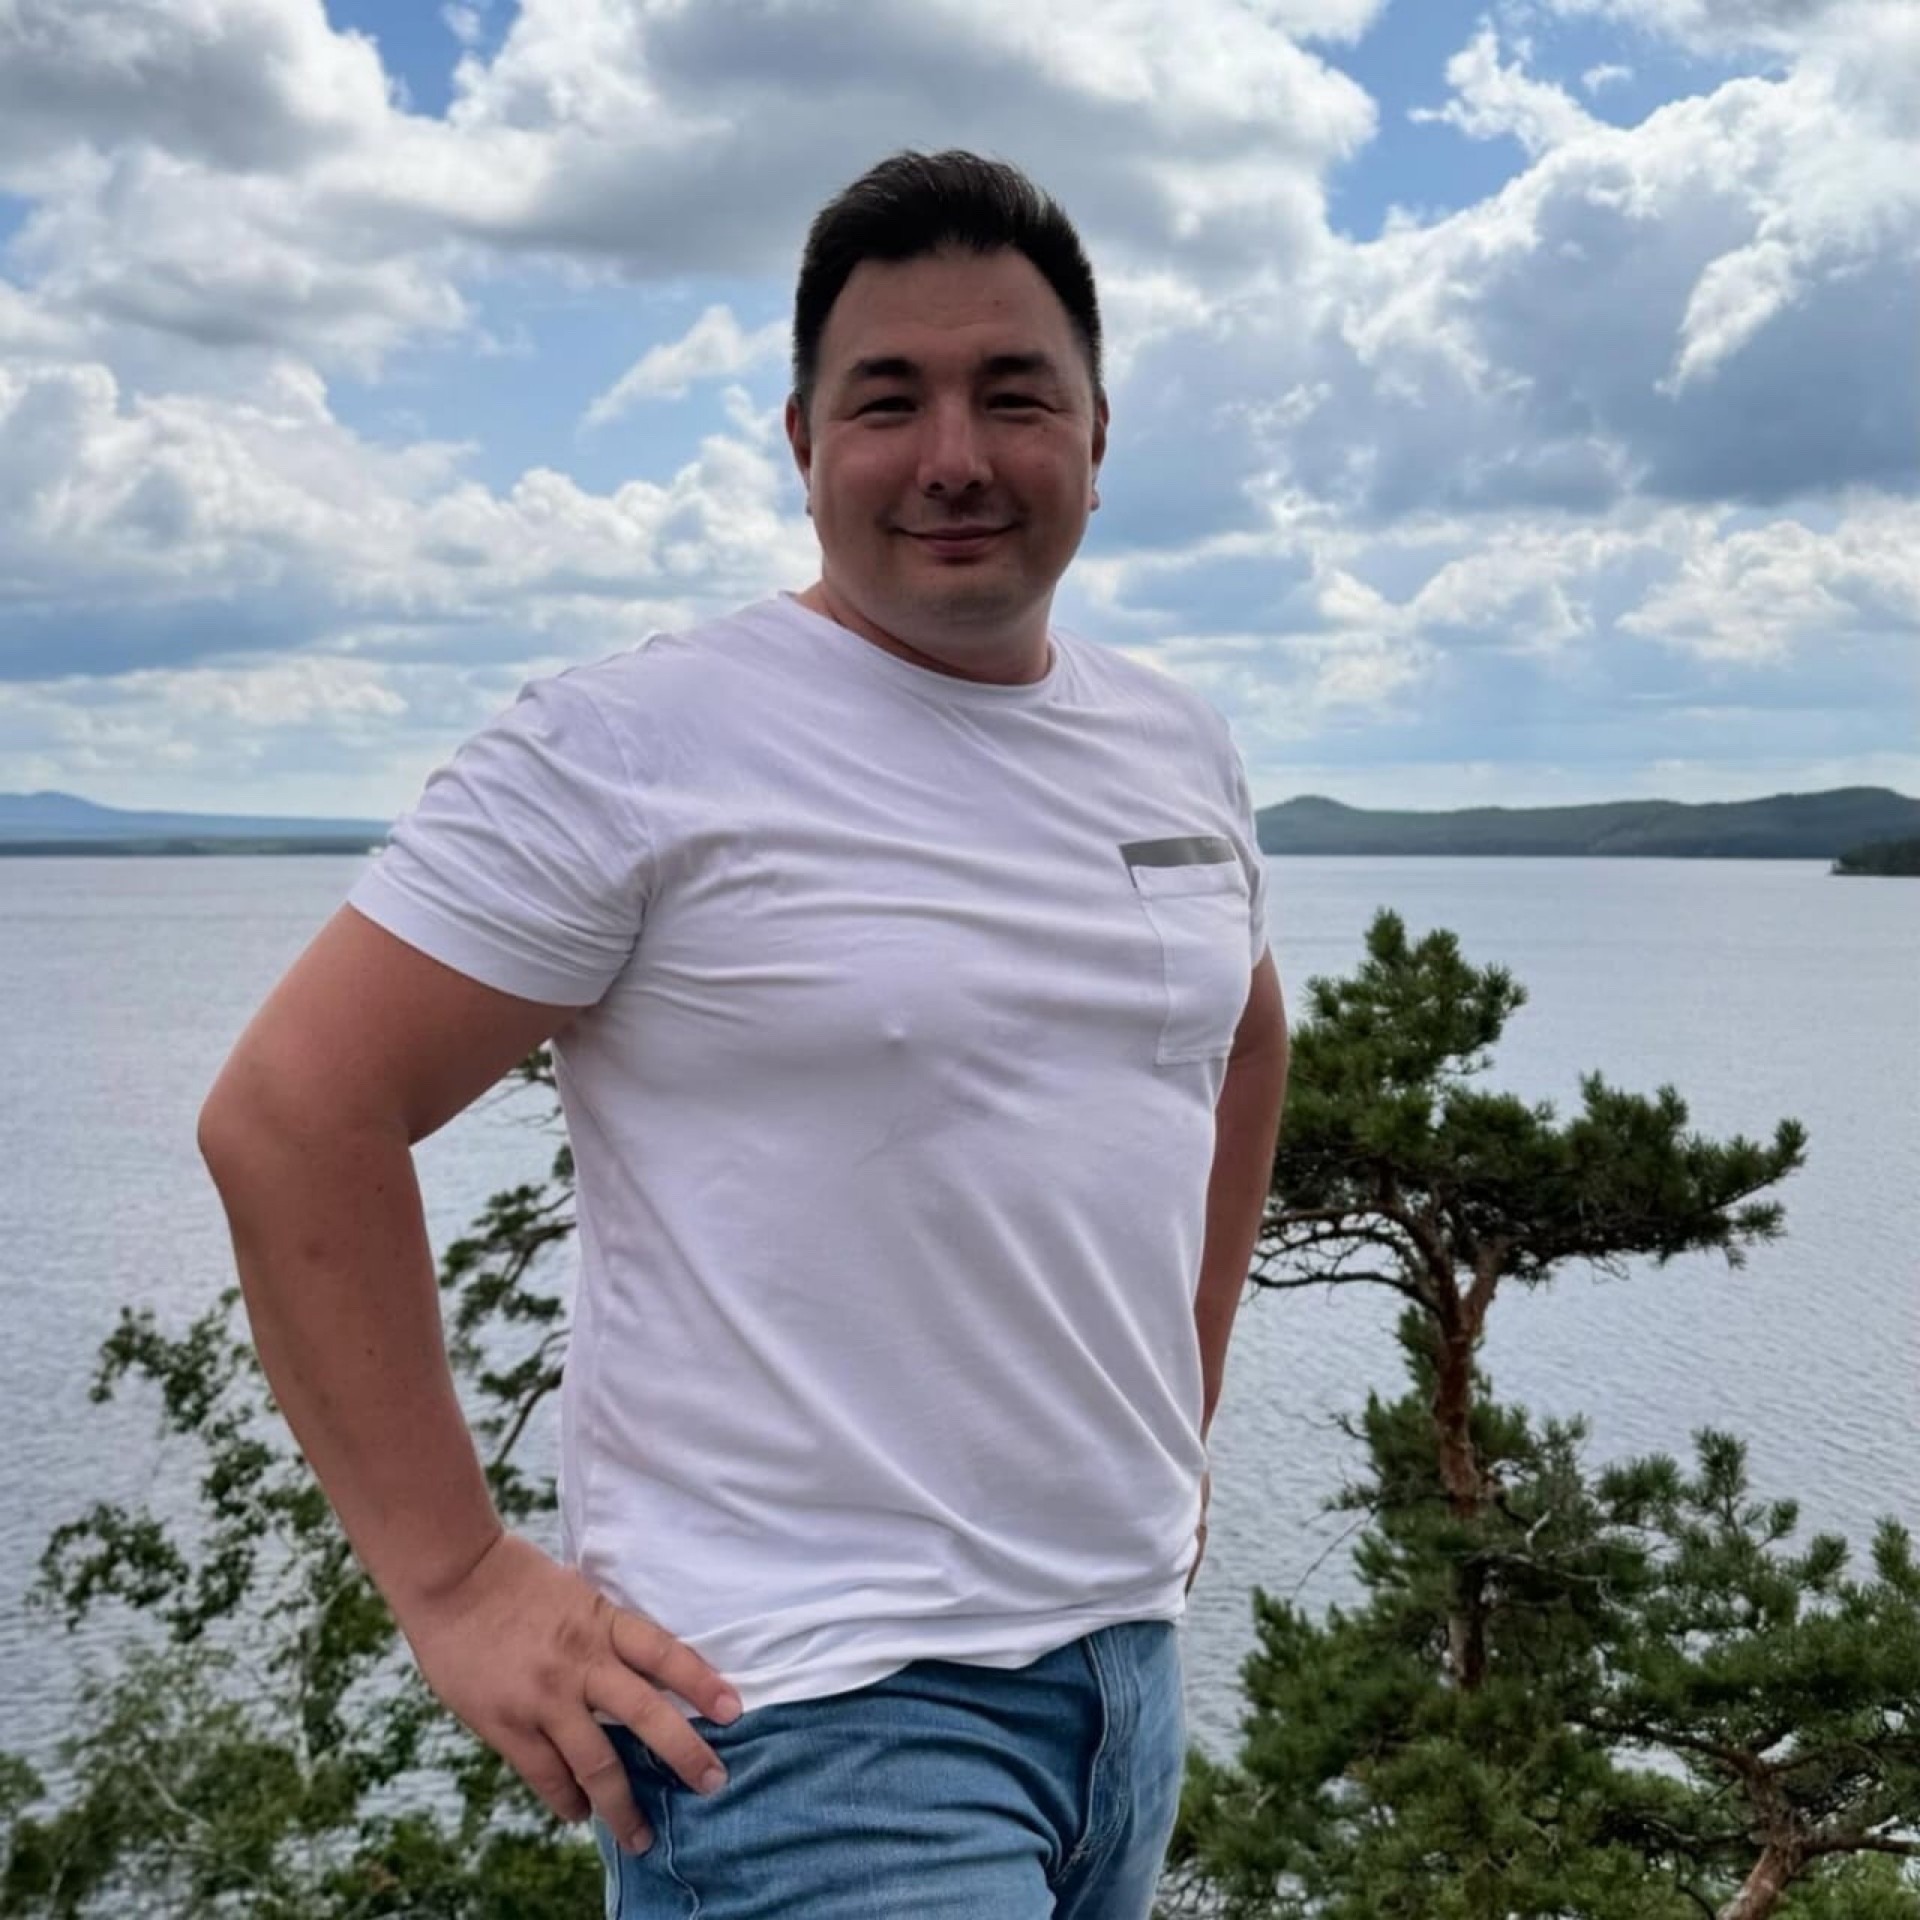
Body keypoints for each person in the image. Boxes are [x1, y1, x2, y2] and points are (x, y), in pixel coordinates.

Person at [199, 149, 1288, 1919]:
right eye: (889, 399)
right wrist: (458, 1580)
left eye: (1015, 395)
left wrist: (1184, 1407)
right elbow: (290, 1113)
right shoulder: (637, 745)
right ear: (802, 441)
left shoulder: (1176, 743)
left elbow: (1238, 1037)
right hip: (805, 1728)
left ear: (1098, 434)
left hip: (1120, 1677)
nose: (953, 455)